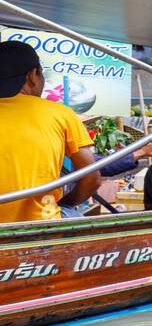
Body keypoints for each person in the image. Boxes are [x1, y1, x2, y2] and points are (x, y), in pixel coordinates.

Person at [0, 40, 101, 222]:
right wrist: (65, 204)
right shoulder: (59, 113)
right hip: (41, 227)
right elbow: (92, 178)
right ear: (33, 75)